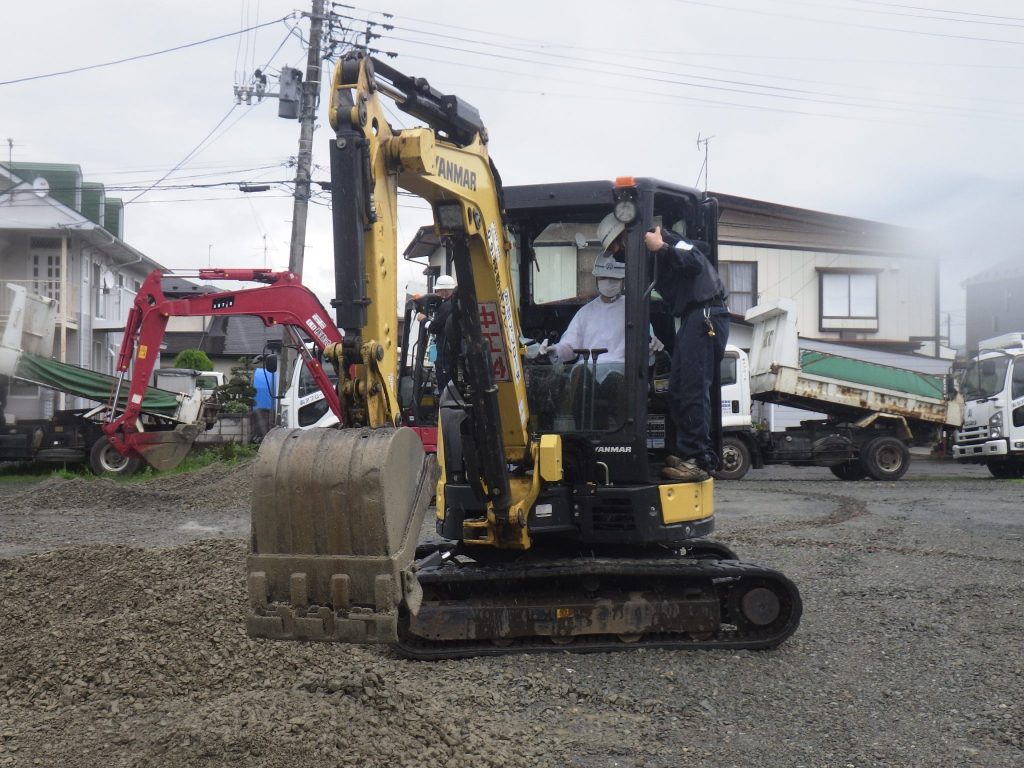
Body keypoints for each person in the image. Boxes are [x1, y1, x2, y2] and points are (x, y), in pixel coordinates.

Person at [539, 214, 663, 429]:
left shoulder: (635, 309)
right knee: (579, 375)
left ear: (623, 280)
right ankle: (584, 432)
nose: (609, 283)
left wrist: (651, 347)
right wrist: (554, 351)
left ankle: (620, 432)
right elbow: (570, 345)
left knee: (615, 381)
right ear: (596, 279)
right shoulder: (586, 313)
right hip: (586, 376)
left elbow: (647, 342)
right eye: (605, 279)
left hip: (622, 374)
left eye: (614, 279)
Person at [644, 225, 729, 482]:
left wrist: (662, 247)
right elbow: (704, 248)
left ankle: (699, 459)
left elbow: (693, 259)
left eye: (617, 244)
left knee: (693, 387)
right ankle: (688, 452)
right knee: (678, 387)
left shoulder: (671, 242)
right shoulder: (668, 249)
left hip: (705, 316)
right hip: (693, 318)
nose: (617, 251)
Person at [417, 274, 457, 393]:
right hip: (451, 351)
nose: (437, 294)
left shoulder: (446, 307)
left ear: (444, 291)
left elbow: (434, 328)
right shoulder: (454, 304)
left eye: (438, 291)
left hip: (445, 353)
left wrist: (423, 320)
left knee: (444, 384)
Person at [251, 358, 277, 442]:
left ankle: (260, 438)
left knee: (261, 424)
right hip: (270, 403)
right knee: (268, 423)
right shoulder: (272, 374)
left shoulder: (259, 373)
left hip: (259, 403)